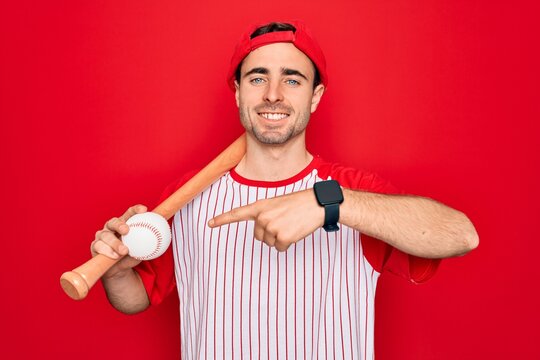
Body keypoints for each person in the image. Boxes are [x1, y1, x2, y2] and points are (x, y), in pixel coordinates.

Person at [91, 21, 479, 359]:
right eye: (258, 78)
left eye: (292, 79)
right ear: (238, 93)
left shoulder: (354, 192)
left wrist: (329, 205)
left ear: (315, 96)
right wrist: (116, 272)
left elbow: (460, 234)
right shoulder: (189, 195)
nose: (273, 94)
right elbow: (135, 299)